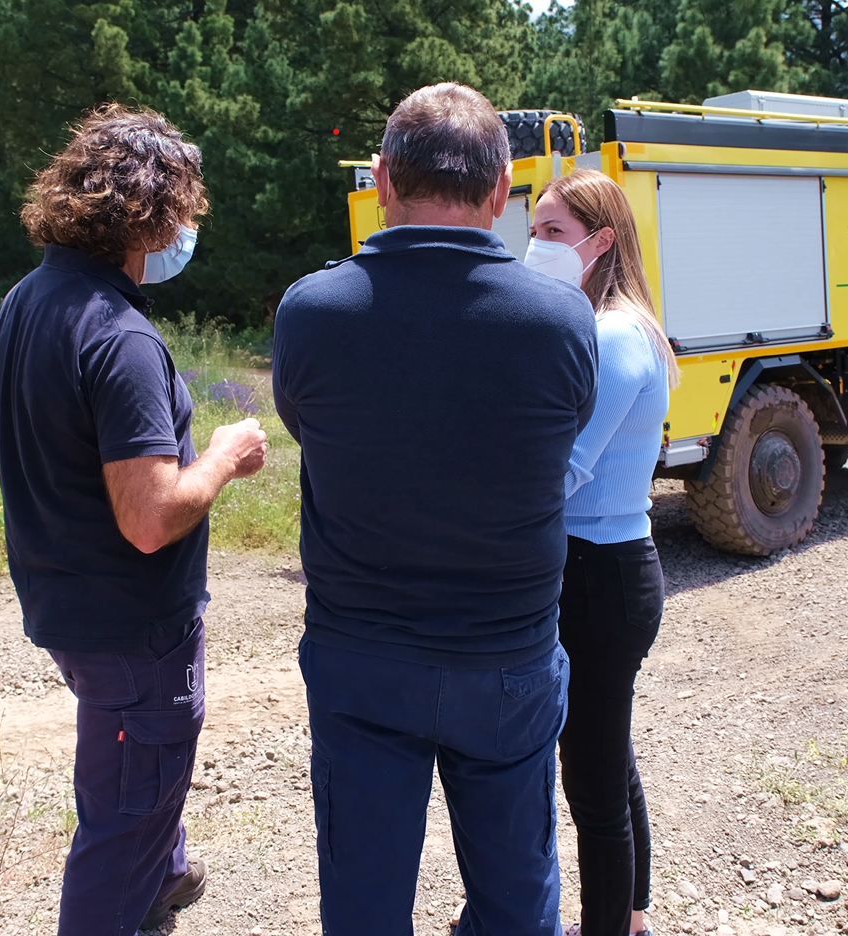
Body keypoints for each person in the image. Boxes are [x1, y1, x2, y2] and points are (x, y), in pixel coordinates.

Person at [272, 83, 599, 936]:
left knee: (365, 901)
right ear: (502, 192)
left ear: (382, 179)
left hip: (362, 655)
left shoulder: (312, 311)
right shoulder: (563, 318)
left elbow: (306, 428)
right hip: (507, 659)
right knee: (516, 899)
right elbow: (561, 431)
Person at [0, 104, 268, 936]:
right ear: (153, 212)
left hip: (63, 605)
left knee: (121, 751)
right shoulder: (122, 338)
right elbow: (149, 521)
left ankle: (165, 875)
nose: (186, 230)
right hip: (132, 624)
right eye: (182, 210)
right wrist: (221, 456)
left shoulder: (26, 300)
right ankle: (132, 884)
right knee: (130, 801)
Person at [525, 170, 678, 936]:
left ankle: (608, 926)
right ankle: (635, 913)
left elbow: (563, 469)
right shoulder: (597, 322)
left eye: (552, 231)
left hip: (599, 577)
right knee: (605, 758)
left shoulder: (615, 334)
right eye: (533, 227)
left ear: (601, 240)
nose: (534, 245)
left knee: (589, 781)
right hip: (595, 571)